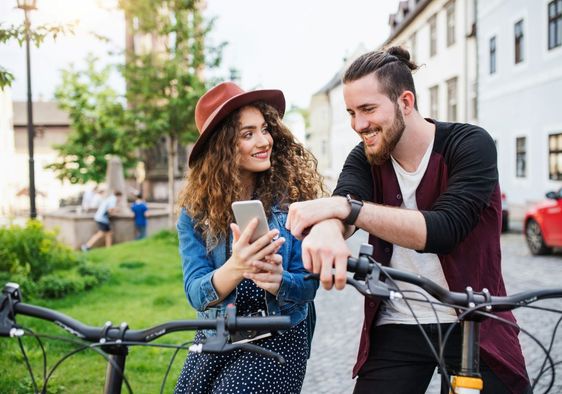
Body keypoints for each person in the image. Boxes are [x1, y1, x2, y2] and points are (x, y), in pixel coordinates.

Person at [286, 47, 530, 394]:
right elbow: (346, 199)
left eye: (368, 109)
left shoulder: (469, 144)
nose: (359, 125)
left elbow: (444, 229)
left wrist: (345, 210)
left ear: (405, 102)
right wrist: (328, 228)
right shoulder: (366, 156)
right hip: (398, 320)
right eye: (352, 113)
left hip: (474, 318)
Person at [174, 81, 325, 394]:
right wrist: (237, 265)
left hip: (279, 333)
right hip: (219, 331)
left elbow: (309, 285)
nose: (263, 140)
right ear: (223, 148)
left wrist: (279, 280)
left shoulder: (293, 201)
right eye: (247, 134)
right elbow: (195, 293)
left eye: (265, 128)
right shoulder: (195, 215)